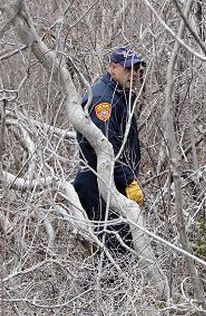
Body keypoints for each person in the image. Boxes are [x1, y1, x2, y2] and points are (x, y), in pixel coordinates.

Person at [73, 46, 146, 256]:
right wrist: (128, 181)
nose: (134, 73)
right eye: (128, 68)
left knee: (120, 252)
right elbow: (105, 147)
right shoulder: (104, 100)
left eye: (137, 68)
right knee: (115, 255)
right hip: (99, 185)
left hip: (111, 185)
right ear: (113, 68)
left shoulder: (121, 95)